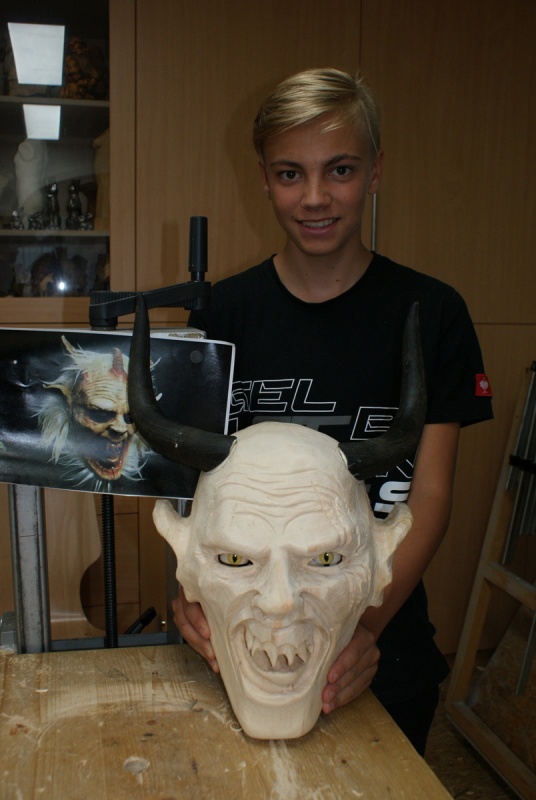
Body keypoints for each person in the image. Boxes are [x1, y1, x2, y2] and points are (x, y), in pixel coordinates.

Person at [173, 67, 493, 755]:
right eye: (290, 174)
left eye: (339, 170)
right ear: (264, 179)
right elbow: (185, 490)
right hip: (244, 648)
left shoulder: (433, 313)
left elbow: (430, 494)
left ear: (375, 171)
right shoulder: (221, 315)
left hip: (381, 649)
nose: (314, 197)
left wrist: (361, 628)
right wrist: (192, 597)